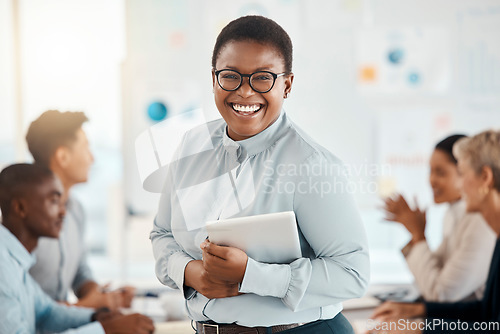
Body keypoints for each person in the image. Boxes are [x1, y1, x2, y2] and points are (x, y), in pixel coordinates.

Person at [150, 15, 370, 334]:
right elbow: (161, 234)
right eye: (231, 76)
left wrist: (251, 274)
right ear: (214, 79)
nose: (245, 92)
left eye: (263, 78)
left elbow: (353, 274)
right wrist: (190, 272)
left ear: (287, 85)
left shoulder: (310, 164)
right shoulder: (191, 146)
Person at [371, 130, 500, 334]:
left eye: (463, 174)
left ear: (485, 177)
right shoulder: (488, 231)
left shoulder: (484, 227)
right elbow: (487, 312)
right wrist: (417, 310)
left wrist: (419, 328)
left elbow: (442, 293)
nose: (461, 183)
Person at [0, 163, 154, 334]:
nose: (63, 212)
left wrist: (95, 318)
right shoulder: (3, 266)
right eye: (54, 201)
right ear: (21, 208)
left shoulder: (16, 260)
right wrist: (106, 330)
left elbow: (47, 313)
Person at [25, 110, 134, 310]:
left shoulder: (75, 210)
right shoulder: (22, 217)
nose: (92, 159)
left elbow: (80, 273)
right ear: (63, 157)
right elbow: (22, 308)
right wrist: (87, 306)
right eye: (85, 148)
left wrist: (99, 295)